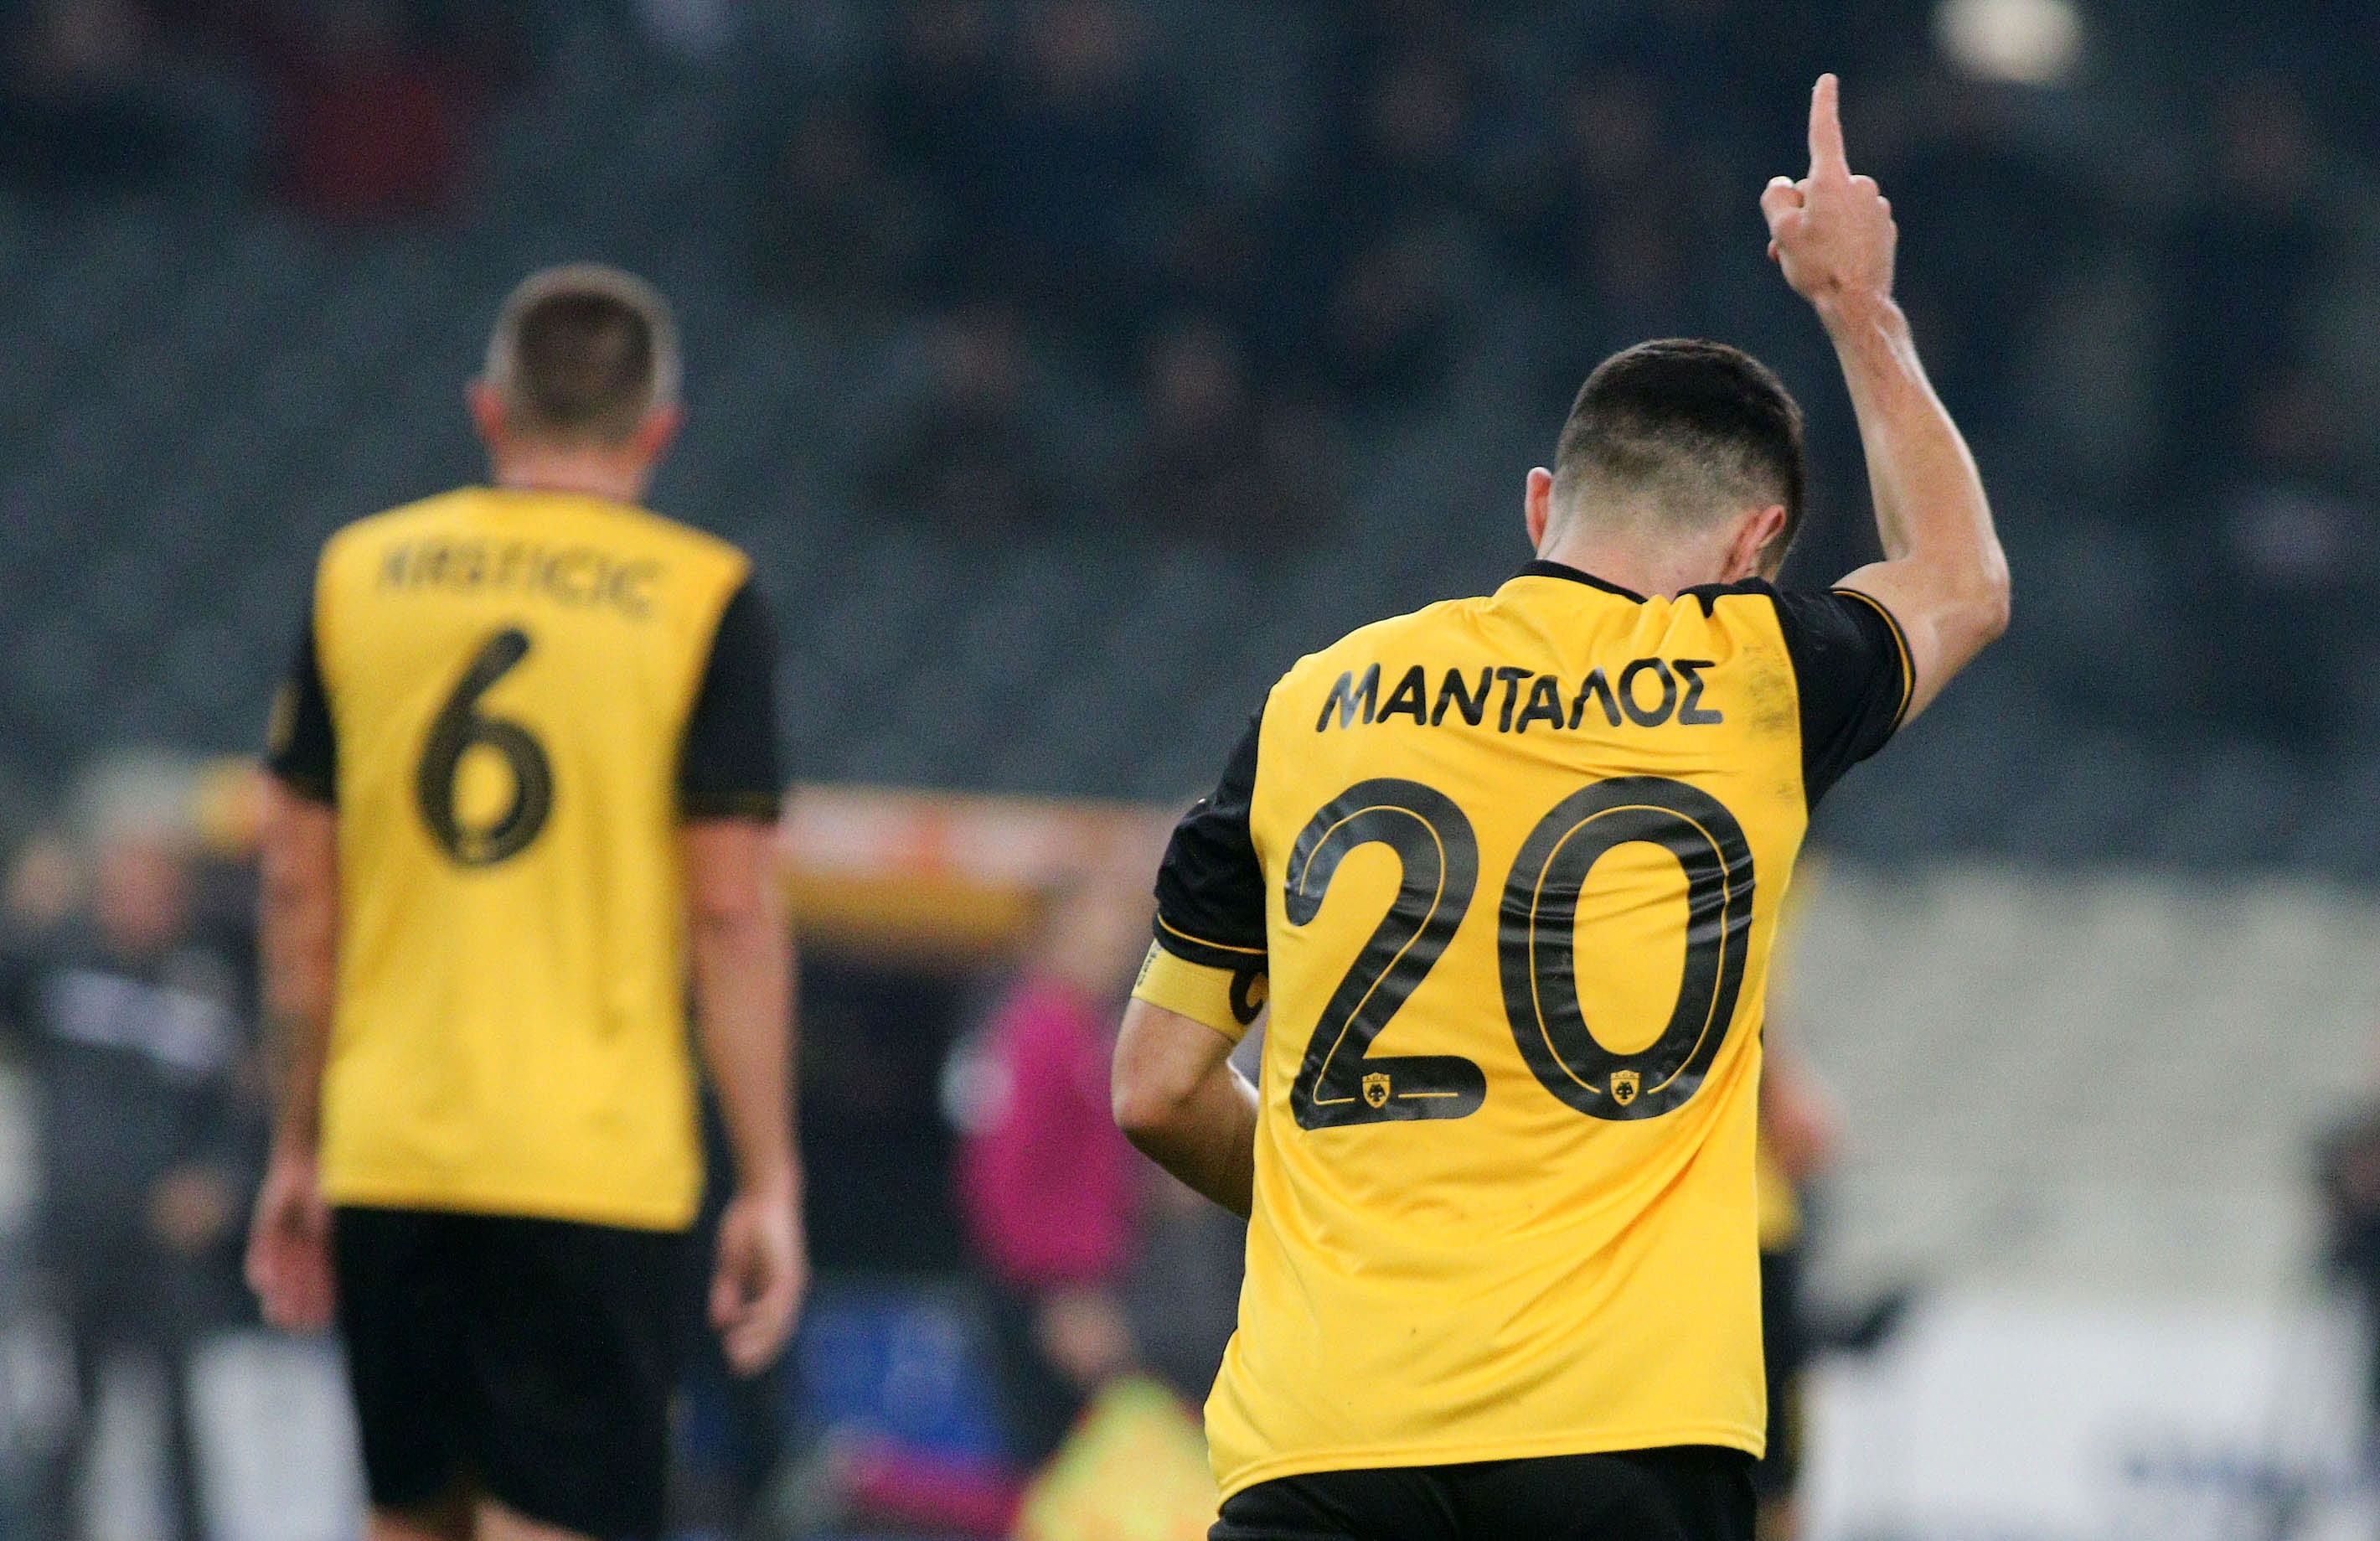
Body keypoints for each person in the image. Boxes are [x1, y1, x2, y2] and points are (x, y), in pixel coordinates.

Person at [1110, 76, 2009, 1541]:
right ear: (1758, 546)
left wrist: (1357, 1213)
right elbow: (1961, 581)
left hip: (1325, 1432)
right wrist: (1858, 305)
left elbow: (1153, 1087)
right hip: (1623, 1437)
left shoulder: (1314, 701)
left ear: (1541, 506)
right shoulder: (1754, 673)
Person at [244, 265, 806, 1541]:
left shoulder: (359, 575)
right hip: (592, 1162)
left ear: (488, 411)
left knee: (409, 1520)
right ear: (657, 430)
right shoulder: (703, 596)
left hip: (391, 1141)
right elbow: (730, 915)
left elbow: (294, 887)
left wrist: (297, 1142)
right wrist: (769, 1179)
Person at [1, 759, 260, 1541]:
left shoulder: (210, 975)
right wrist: (21, 910)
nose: (139, 892)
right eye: (123, 873)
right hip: (70, 1237)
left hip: (167, 1248)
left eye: (155, 875)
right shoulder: (59, 955)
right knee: (55, 1429)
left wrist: (221, 1181)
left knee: (182, 1433)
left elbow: (247, 1108)